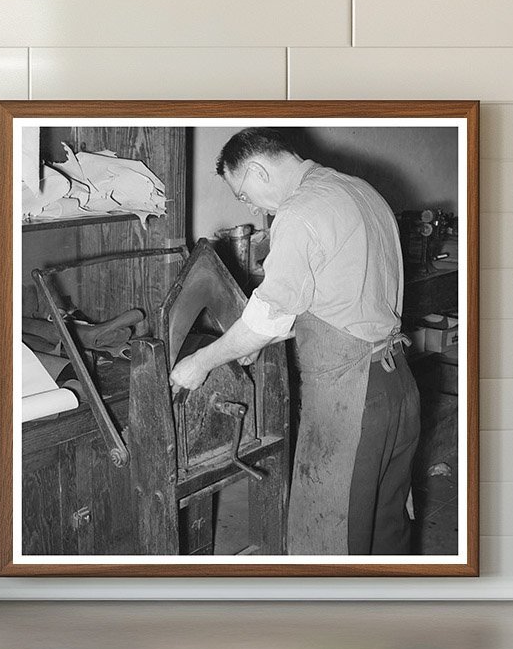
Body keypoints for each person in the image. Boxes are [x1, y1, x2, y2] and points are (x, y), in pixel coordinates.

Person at [169, 128, 420, 555]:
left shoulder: (299, 212)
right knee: (386, 530)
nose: (249, 205)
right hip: (397, 389)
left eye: (243, 194)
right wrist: (255, 340)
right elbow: (335, 301)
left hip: (353, 402)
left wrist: (201, 362)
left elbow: (267, 317)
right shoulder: (360, 191)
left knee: (333, 540)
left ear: (257, 170)